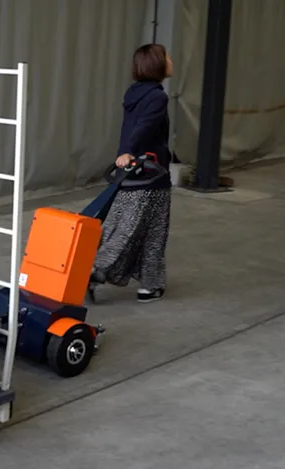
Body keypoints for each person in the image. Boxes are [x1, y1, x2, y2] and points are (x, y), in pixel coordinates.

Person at [89, 43, 173, 304]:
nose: (171, 61)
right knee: (151, 231)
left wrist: (124, 154)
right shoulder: (158, 97)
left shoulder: (134, 93)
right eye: (167, 57)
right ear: (157, 63)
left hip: (131, 171)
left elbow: (130, 127)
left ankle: (146, 282)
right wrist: (128, 151)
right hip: (151, 172)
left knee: (122, 224)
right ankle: (99, 270)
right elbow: (143, 127)